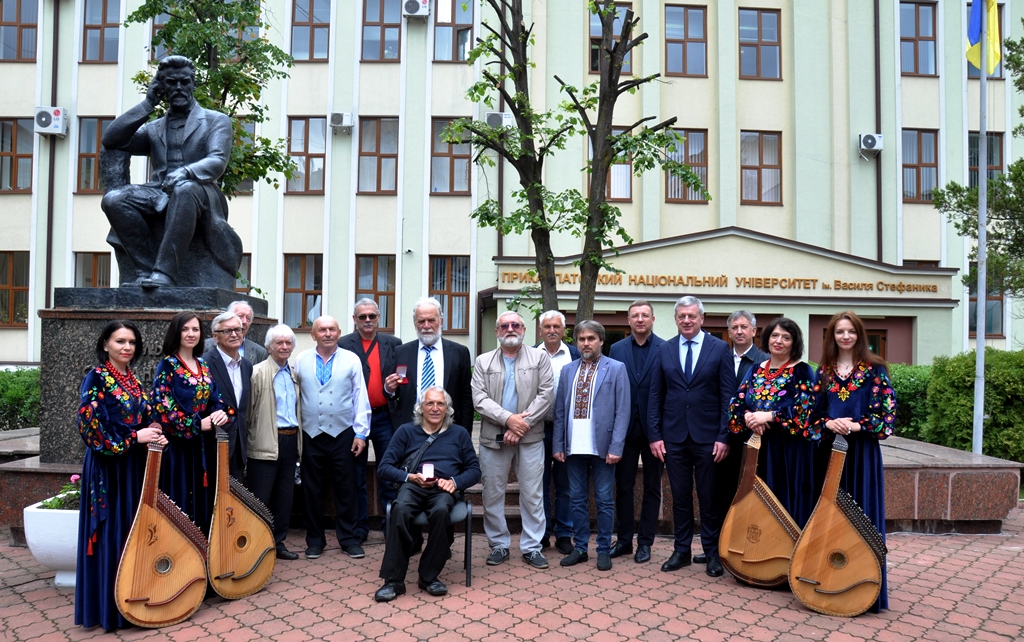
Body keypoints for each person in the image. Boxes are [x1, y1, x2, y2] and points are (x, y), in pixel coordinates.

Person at [101, 55, 240, 289]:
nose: (178, 88)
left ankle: (164, 273)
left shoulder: (216, 120)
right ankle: (145, 270)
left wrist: (186, 172)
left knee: (185, 189)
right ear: (161, 86)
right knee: (114, 200)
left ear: (194, 84)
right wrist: (148, 104)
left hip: (202, 192)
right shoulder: (154, 127)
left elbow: (217, 160)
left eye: (184, 82)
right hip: (160, 191)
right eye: (171, 82)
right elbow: (112, 139)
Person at [74, 321, 168, 632]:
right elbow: (91, 427)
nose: (127, 347)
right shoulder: (96, 378)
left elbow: (143, 417)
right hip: (108, 469)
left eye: (131, 342)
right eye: (120, 341)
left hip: (132, 467)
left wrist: (154, 428)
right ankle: (109, 610)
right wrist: (133, 438)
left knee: (131, 532)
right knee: (112, 532)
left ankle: (132, 600)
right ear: (105, 345)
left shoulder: (133, 380)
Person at [812, 311, 895, 612]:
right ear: (832, 336)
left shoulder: (875, 370)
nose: (845, 336)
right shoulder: (824, 371)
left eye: (850, 331)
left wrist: (857, 426)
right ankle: (829, 581)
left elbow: (886, 418)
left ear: (859, 334)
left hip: (862, 455)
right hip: (830, 454)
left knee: (864, 518)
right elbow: (813, 415)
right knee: (829, 518)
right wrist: (828, 423)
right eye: (839, 332)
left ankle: (866, 589)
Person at [648, 296, 736, 577]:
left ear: (702, 318)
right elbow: (656, 395)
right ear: (675, 319)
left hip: (709, 438)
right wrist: (655, 435)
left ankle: (712, 552)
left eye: (691, 316)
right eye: (681, 316)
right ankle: (681, 550)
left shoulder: (719, 348)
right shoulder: (665, 349)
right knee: (680, 497)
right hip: (673, 437)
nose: (686, 320)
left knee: (709, 497)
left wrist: (724, 436)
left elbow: (728, 397)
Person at [374, 387, 481, 602]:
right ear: (420, 408)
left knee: (441, 511)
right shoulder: (406, 431)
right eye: (429, 403)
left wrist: (454, 482)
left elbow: (475, 470)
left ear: (447, 409)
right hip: (413, 485)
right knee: (400, 509)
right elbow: (384, 467)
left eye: (440, 404)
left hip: (443, 488)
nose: (435, 408)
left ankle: (428, 577)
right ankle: (394, 581)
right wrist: (410, 477)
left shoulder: (459, 433)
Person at [472, 311, 554, 569]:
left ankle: (532, 547)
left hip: (530, 438)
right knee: (492, 494)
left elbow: (546, 394)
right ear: (497, 331)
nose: (510, 329)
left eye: (515, 325)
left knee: (532, 494)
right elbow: (479, 399)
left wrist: (520, 426)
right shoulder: (483, 361)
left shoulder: (539, 358)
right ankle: (499, 544)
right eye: (505, 325)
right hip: (494, 438)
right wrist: (508, 419)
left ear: (524, 330)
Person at [728, 317, 820, 529]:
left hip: (790, 455)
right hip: (758, 450)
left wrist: (769, 416)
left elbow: (805, 412)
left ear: (794, 343)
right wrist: (749, 417)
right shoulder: (756, 370)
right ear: (767, 339)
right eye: (774, 335)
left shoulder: (802, 371)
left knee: (784, 507)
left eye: (786, 337)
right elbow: (735, 404)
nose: (779, 341)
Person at [552, 321, 630, 571]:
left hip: (603, 447)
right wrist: (558, 444)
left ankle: (604, 549)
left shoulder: (616, 368)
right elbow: (560, 410)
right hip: (574, 447)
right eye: (582, 339)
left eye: (591, 338)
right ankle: (581, 548)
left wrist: (616, 446)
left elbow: (623, 411)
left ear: (601, 341)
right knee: (576, 499)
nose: (586, 343)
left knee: (605, 500)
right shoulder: (568, 370)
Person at [295, 315, 371, 560]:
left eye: (332, 329)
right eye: (322, 330)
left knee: (346, 488)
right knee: (311, 489)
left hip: (343, 433)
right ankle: (315, 540)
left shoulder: (351, 359)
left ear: (339, 333)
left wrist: (361, 433)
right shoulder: (300, 360)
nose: (327, 333)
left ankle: (349, 539)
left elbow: (360, 396)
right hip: (310, 433)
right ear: (313, 335)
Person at [699, 310, 770, 565]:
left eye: (744, 327)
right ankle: (718, 549)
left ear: (754, 330)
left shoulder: (765, 362)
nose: (739, 331)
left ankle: (745, 550)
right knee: (720, 494)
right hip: (722, 438)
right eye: (734, 327)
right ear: (728, 332)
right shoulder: (720, 357)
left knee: (749, 497)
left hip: (754, 441)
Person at [152, 311, 233, 535]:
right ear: (176, 333)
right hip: (178, 449)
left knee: (203, 502)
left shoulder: (202, 365)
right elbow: (162, 408)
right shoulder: (167, 365)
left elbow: (216, 400)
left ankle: (201, 549)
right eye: (185, 329)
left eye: (195, 329)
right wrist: (197, 424)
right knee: (180, 501)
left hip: (203, 448)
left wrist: (219, 414)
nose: (191, 334)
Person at [607, 300, 665, 564]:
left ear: (653, 319)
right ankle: (624, 541)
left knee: (653, 488)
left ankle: (645, 543)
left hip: (656, 432)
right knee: (624, 487)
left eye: (645, 315)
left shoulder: (666, 348)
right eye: (635, 315)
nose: (640, 319)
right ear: (628, 320)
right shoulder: (616, 349)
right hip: (625, 429)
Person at [339, 298, 402, 540]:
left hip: (384, 416)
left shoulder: (393, 344)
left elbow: (401, 380)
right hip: (354, 420)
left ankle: (391, 526)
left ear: (378, 318)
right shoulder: (343, 345)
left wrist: (392, 389)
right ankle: (359, 528)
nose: (367, 320)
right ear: (354, 320)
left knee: (388, 472)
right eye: (362, 316)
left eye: (372, 316)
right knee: (356, 475)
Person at [246, 324, 303, 560]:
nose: (284, 346)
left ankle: (277, 543)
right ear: (269, 347)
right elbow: (248, 412)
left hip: (290, 440)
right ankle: (255, 546)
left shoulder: (293, 374)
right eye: (279, 342)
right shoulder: (257, 373)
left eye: (288, 343)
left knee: (284, 496)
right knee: (261, 496)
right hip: (266, 440)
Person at [387, 298, 473, 434]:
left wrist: (465, 433)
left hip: (448, 427)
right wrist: (389, 389)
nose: (426, 326)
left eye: (431, 320)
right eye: (421, 321)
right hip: (410, 426)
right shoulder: (401, 352)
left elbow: (466, 398)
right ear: (415, 324)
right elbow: (393, 393)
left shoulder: (459, 352)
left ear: (441, 321)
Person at [536, 310, 579, 555]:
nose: (552, 330)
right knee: (538, 485)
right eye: (547, 326)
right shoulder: (530, 354)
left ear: (564, 330)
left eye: (556, 326)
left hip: (567, 431)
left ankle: (564, 534)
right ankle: (541, 534)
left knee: (565, 485)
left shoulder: (575, 354)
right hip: (537, 429)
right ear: (540, 330)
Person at [202, 310, 252, 480]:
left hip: (238, 447)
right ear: (215, 337)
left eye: (238, 329)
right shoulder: (205, 363)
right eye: (227, 331)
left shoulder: (246, 366)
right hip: (212, 445)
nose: (234, 334)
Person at [203, 301, 268, 365]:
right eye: (240, 317)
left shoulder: (260, 353)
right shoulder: (205, 347)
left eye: (248, 319)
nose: (244, 322)